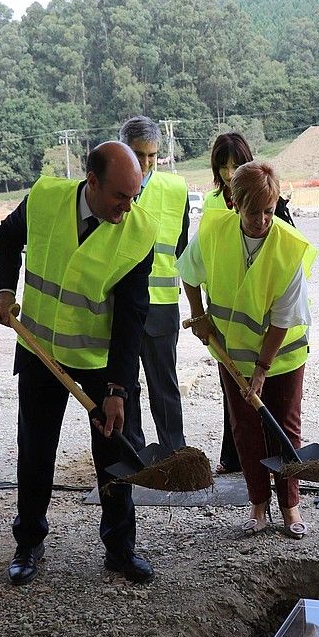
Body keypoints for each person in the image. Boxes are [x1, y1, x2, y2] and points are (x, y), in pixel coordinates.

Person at [0, 142, 158, 586]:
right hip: (41, 350)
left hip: (100, 362)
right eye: (120, 196)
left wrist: (119, 390)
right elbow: (6, 237)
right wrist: (6, 289)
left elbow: (132, 316)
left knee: (114, 456)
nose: (128, 206)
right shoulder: (45, 199)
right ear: (93, 182)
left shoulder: (138, 231)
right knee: (36, 451)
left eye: (134, 195)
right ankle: (28, 544)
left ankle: (120, 549)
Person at [179, 160, 316, 538]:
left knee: (284, 427)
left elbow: (283, 319)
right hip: (231, 353)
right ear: (235, 204)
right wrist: (199, 315)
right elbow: (188, 272)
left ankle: (290, 505)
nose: (261, 220)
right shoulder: (214, 231)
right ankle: (258, 503)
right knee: (244, 427)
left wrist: (261, 370)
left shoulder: (289, 248)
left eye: (269, 211)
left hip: (283, 355)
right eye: (252, 211)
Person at [204, 133, 295, 475]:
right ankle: (239, 461)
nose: (228, 172)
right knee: (238, 409)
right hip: (230, 333)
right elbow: (195, 261)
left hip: (274, 333)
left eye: (234, 164)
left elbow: (285, 275)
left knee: (276, 411)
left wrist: (262, 366)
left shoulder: (276, 212)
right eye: (222, 166)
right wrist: (201, 313)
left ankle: (284, 490)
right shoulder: (214, 206)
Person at [120, 116, 190, 453]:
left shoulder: (176, 191)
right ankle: (132, 451)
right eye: (138, 154)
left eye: (152, 155)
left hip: (162, 304)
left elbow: (183, 249)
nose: (146, 163)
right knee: (124, 385)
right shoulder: (109, 186)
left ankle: (174, 453)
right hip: (119, 306)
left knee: (164, 386)